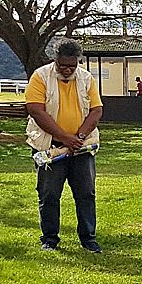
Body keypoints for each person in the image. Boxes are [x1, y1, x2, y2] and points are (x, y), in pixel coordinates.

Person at [25, 38, 103, 252]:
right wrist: (64, 137)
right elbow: (36, 110)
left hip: (81, 146)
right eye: (63, 65)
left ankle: (89, 239)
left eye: (72, 65)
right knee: (49, 194)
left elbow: (96, 110)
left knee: (86, 193)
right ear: (55, 60)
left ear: (78, 61)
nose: (67, 69)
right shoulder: (40, 76)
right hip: (51, 147)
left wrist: (80, 136)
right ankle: (49, 239)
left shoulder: (86, 78)